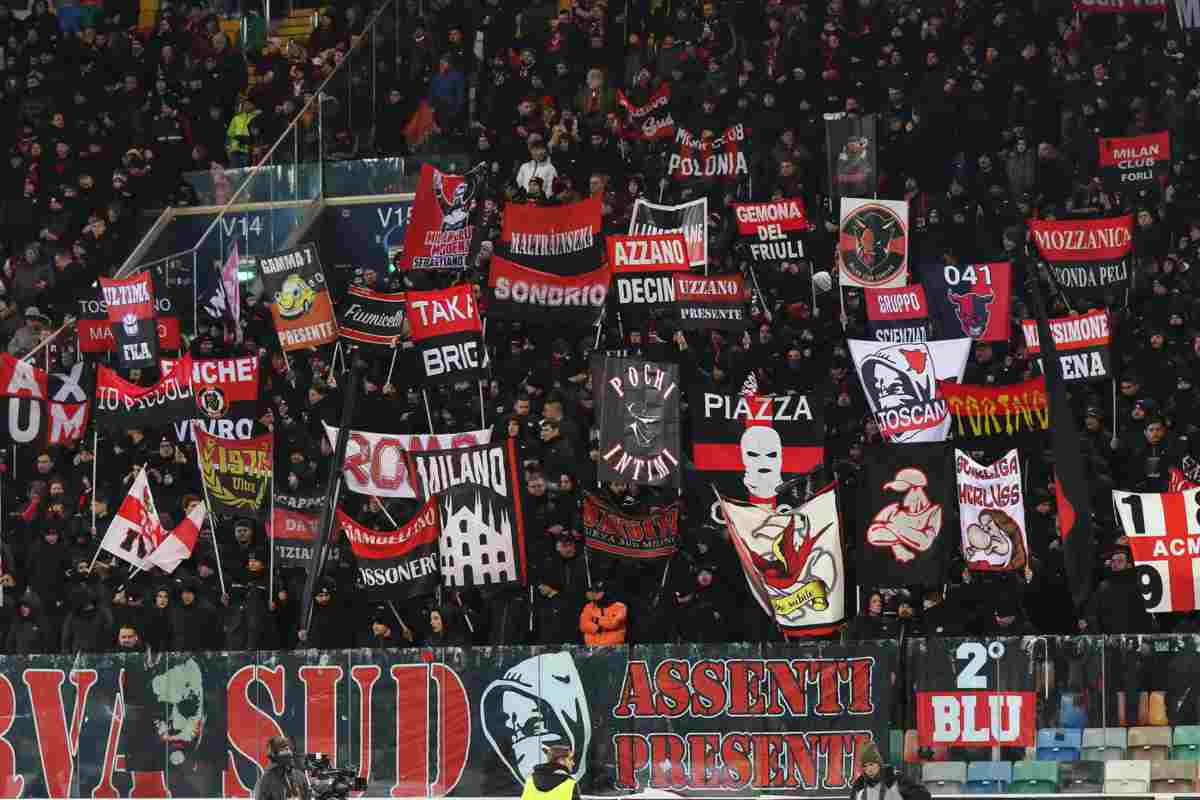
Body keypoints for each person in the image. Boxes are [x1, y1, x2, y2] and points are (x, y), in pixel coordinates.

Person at [847, 742, 930, 800]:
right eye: (865, 766)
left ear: (879, 764)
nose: (869, 769)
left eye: (871, 764)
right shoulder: (859, 785)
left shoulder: (895, 778)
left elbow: (924, 796)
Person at [254, 735, 310, 800]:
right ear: (274, 755)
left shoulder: (300, 776)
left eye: (289, 749)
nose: (289, 752)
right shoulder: (266, 780)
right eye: (285, 749)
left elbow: (307, 796)